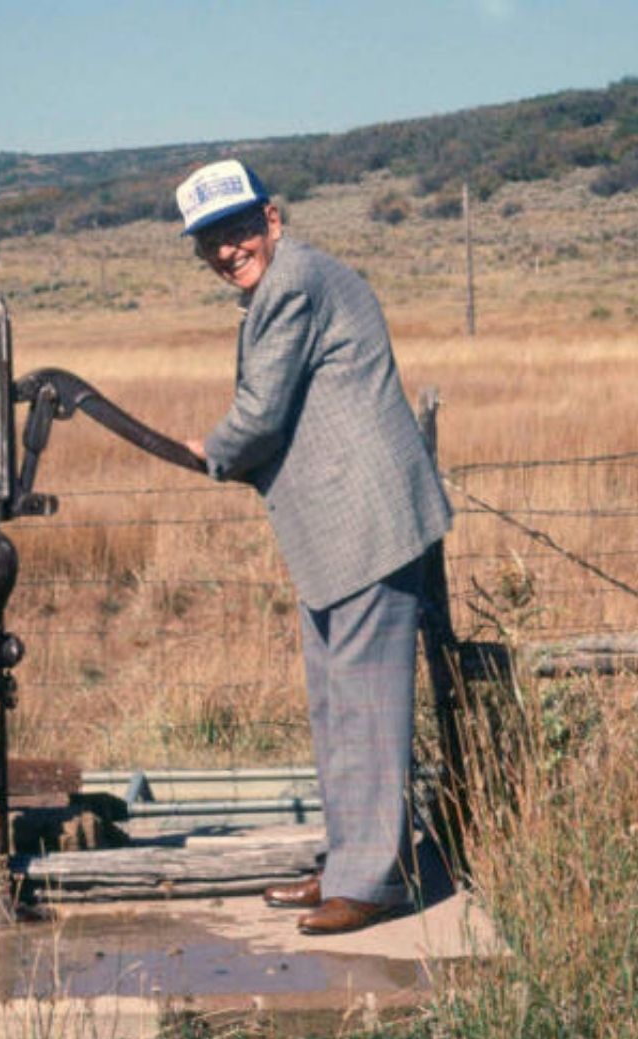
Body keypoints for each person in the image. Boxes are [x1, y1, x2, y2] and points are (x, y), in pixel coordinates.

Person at [177, 160, 453, 934]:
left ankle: (375, 883)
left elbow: (262, 413)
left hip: (364, 520)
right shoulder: (286, 283)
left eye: (237, 230)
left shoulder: (293, 282)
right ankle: (350, 863)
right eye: (211, 242)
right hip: (339, 528)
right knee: (338, 707)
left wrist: (212, 449)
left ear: (271, 218)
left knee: (367, 704)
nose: (229, 251)